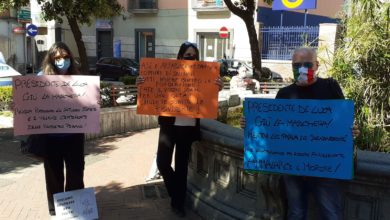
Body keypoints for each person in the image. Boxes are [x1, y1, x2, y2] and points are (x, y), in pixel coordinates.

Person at [240, 47, 360, 220]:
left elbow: (344, 122)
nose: (301, 68)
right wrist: (249, 124)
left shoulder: (330, 87)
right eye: (296, 65)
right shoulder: (284, 94)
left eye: (307, 64)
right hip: (292, 168)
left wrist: (353, 130)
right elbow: (272, 128)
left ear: (317, 65)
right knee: (296, 213)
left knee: (332, 213)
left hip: (325, 167)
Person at [137, 41, 223, 217]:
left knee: (182, 166)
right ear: (180, 57)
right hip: (169, 125)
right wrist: (142, 83)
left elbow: (207, 99)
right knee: (162, 162)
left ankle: (178, 204)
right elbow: (153, 88)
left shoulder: (202, 75)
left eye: (194, 56)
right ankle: (176, 191)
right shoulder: (169, 73)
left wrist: (217, 88)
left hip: (188, 128)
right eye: (187, 55)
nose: (191, 58)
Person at [39, 42, 85, 216]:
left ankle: (76, 210)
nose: (62, 61)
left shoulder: (79, 80)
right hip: (50, 138)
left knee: (76, 173)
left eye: (65, 57)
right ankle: (56, 212)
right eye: (57, 57)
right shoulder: (40, 80)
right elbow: (29, 103)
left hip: (74, 137)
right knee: (53, 177)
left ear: (70, 58)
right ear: (50, 59)